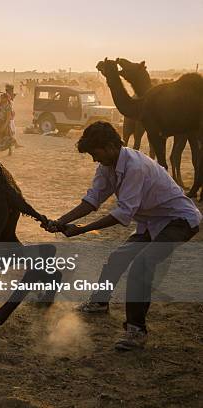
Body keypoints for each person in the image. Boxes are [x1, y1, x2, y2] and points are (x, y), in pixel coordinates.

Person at [46, 122, 201, 351]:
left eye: (95, 153)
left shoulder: (135, 167)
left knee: (141, 264)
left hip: (179, 221)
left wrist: (81, 230)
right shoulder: (107, 166)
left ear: (110, 146)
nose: (93, 159)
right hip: (152, 221)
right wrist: (61, 221)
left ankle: (136, 331)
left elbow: (123, 213)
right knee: (118, 258)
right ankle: (99, 302)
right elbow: (92, 200)